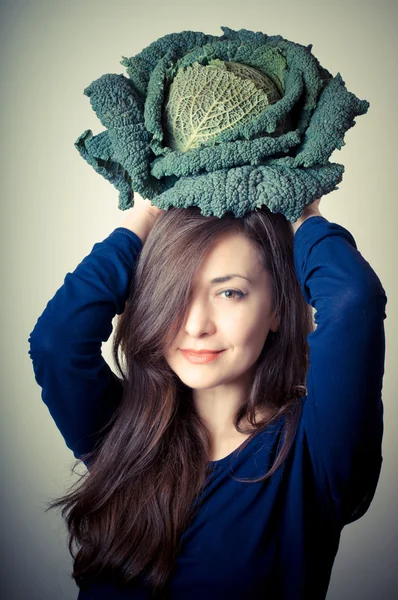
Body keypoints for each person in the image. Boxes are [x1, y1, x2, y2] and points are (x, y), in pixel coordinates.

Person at [28, 197, 387, 599]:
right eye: (174, 291)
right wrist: (145, 215)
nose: (196, 325)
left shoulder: (317, 453)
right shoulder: (124, 434)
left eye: (230, 293)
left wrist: (303, 207)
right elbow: (55, 343)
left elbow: (353, 303)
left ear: (277, 310)